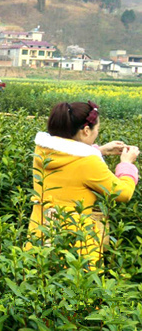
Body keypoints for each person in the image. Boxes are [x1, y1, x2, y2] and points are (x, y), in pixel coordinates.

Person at [27, 101, 139, 267]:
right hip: (74, 246)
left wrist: (99, 150)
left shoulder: (43, 150)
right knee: (74, 288)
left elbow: (71, 161)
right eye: (97, 130)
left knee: (41, 282)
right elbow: (123, 193)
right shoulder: (88, 163)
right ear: (86, 131)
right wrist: (127, 165)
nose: (97, 133)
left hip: (40, 234)